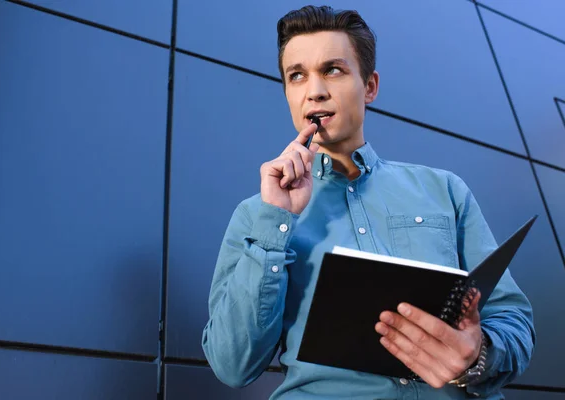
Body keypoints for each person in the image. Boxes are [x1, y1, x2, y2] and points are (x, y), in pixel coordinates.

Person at [201, 5, 535, 399]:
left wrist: (479, 354)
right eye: (297, 76)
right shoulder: (257, 215)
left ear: (370, 86)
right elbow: (231, 364)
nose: (315, 90)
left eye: (333, 70)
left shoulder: (445, 190)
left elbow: (512, 319)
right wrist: (276, 220)